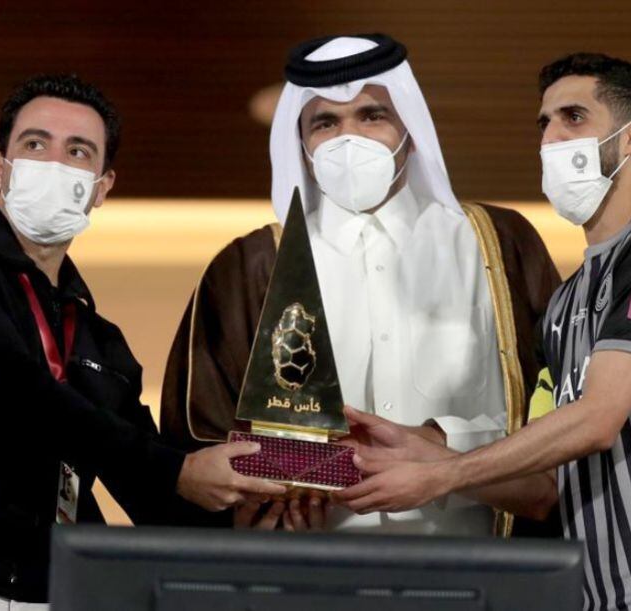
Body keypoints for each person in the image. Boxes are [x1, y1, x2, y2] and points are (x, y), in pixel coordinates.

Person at [336, 53, 631, 610]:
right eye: (544, 123)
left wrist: (440, 479)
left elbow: (597, 419)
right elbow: (544, 489)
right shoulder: (564, 304)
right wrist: (420, 452)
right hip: (595, 591)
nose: (551, 139)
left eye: (573, 118)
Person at [0, 74, 283, 611]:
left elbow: (148, 481)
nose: (54, 163)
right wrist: (178, 471)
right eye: (35, 144)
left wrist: (266, 497)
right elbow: (13, 394)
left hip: (52, 589)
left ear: (102, 187)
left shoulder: (101, 342)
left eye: (78, 151)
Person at [160, 34, 561, 535]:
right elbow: (196, 443)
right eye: (325, 123)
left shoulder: (498, 245)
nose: (349, 139)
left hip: (474, 565)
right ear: (301, 146)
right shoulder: (251, 265)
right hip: (309, 571)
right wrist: (261, 498)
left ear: (410, 130)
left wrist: (442, 445)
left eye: (372, 116)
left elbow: (559, 412)